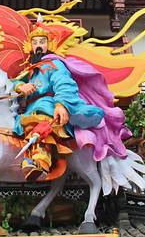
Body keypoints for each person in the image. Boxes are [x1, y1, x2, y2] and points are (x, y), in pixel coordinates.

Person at [14, 21, 104, 180]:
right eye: (35, 42)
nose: (38, 45)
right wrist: (21, 86)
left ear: (50, 44)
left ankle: (42, 161)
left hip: (47, 104)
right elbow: (11, 82)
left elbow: (64, 83)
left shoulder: (54, 64)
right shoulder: (28, 70)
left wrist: (61, 104)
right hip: (26, 109)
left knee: (40, 122)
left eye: (42, 42)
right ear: (30, 46)